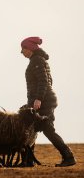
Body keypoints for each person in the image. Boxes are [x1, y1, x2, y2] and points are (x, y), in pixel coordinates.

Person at [20, 36, 76, 167]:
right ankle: (28, 161)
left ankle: (69, 157)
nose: (22, 52)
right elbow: (48, 81)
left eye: (23, 49)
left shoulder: (37, 60)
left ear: (30, 48)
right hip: (42, 100)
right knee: (30, 128)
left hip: (43, 101)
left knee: (47, 129)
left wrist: (39, 98)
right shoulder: (37, 60)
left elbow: (44, 81)